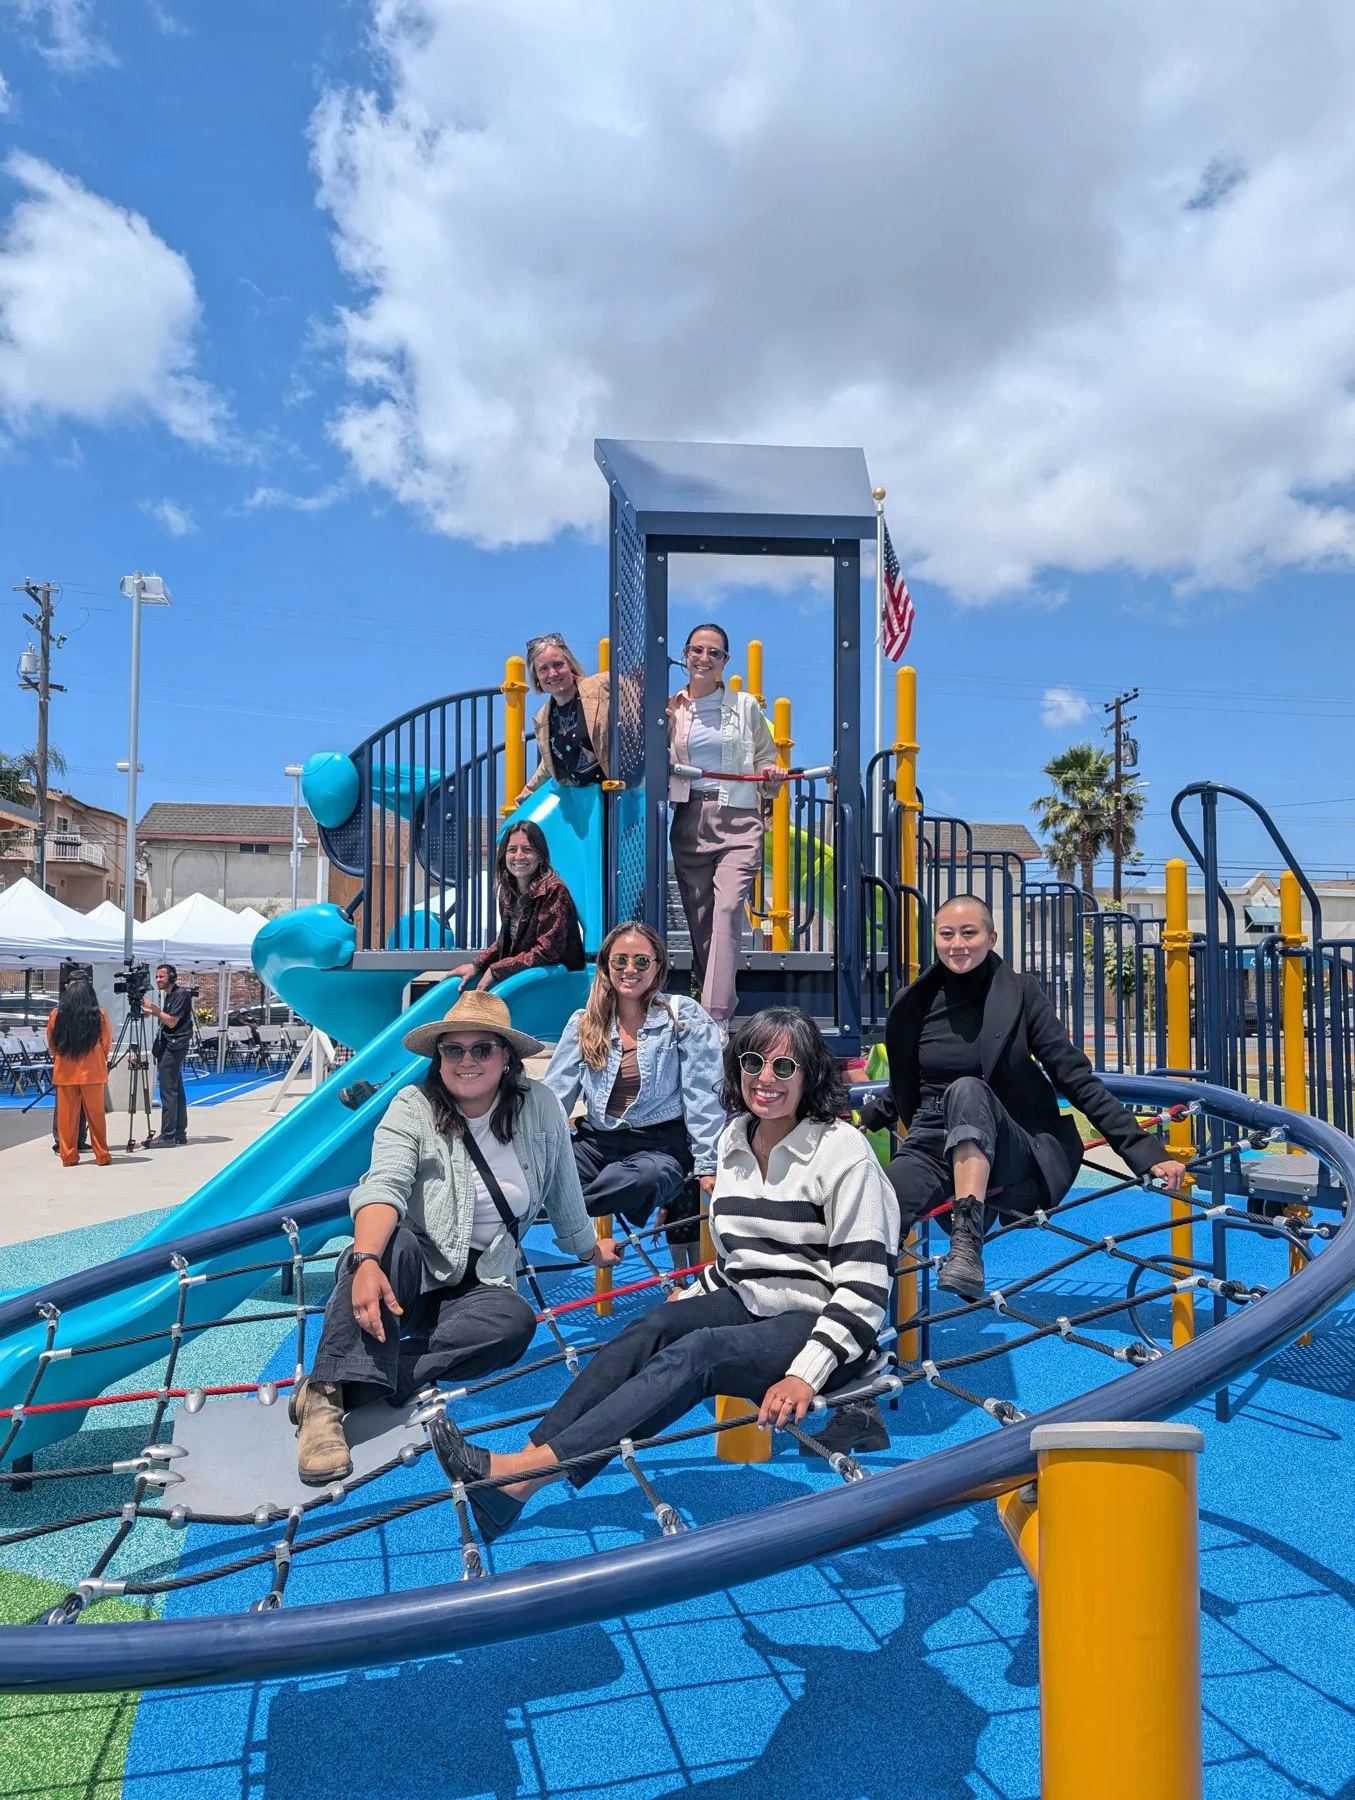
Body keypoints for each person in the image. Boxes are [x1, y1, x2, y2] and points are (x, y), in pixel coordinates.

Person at [427, 1006, 900, 1541]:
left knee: (697, 1355)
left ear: (811, 1075)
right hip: (751, 1299)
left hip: (821, 1324)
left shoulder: (842, 1153)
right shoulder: (734, 1141)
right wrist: (694, 1296)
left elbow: (864, 1290)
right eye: (753, 1062)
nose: (765, 1080)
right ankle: (530, 1457)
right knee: (651, 1327)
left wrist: (804, 1374)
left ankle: (519, 1481)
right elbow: (738, 1259)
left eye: (784, 1068)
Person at [293, 989, 623, 1486]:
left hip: (479, 1280)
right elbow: (384, 1184)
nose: (467, 1061)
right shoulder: (414, 1106)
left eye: (482, 1049)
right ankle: (324, 1400)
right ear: (439, 1057)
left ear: (507, 1057)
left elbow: (562, 1188)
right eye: (454, 1050)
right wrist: (364, 1261)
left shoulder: (540, 1107)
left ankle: (344, 1385)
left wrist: (587, 1249)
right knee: (392, 1245)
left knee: (512, 1324)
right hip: (412, 1272)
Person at [864, 894, 1188, 1305]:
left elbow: (1074, 1076)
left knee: (966, 1089)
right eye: (947, 934)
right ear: (935, 938)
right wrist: (867, 1115)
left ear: (991, 937)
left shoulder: (1019, 993)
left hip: (1008, 1140)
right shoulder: (917, 1002)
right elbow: (913, 1080)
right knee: (875, 1210)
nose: (957, 944)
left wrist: (1141, 1149)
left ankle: (967, 1244)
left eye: (969, 932)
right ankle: (853, 1330)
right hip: (933, 1139)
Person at [544, 922, 724, 1268]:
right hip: (598, 1141)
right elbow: (555, 1096)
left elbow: (703, 1093)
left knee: (647, 1177)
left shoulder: (680, 1016)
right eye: (620, 961)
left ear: (658, 966)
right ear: (606, 967)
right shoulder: (585, 1022)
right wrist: (537, 1152)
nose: (630, 970)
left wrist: (707, 1163)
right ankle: (563, 1208)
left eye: (642, 961)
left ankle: (567, 1215)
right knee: (536, 1172)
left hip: (659, 1146)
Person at [667, 622, 786, 1028]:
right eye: (696, 650)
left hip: (738, 818)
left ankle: (717, 1018)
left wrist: (771, 776)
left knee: (729, 910)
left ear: (725, 662)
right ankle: (708, 999)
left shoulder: (746, 705)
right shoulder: (672, 708)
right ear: (685, 655)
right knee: (701, 923)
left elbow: (767, 758)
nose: (704, 658)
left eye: (713, 653)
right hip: (690, 819)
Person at [450, 821, 585, 992]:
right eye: (512, 849)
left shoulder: (553, 890)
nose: (519, 856)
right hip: (528, 984)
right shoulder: (508, 893)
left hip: (558, 987)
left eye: (527, 849)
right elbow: (505, 942)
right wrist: (477, 965)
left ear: (541, 855)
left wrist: (496, 969)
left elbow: (548, 952)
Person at [519, 633, 610, 799]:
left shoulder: (600, 686)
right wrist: (526, 794)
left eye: (558, 665)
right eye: (543, 669)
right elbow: (549, 765)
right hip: (582, 804)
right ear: (537, 678)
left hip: (616, 793)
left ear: (570, 665)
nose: (552, 673)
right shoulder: (544, 717)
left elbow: (637, 688)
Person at [46, 972, 112, 1167]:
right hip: (93, 1072)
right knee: (96, 1116)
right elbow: (106, 1043)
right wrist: (99, 1059)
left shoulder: (56, 1015)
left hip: (65, 1073)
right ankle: (101, 1154)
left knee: (66, 1118)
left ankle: (68, 1156)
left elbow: (52, 1044)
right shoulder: (99, 1014)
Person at [142, 963, 192, 1147]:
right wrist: (153, 1013)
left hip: (174, 1046)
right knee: (176, 1089)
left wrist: (155, 1010)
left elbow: (172, 1022)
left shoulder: (180, 995)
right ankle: (178, 1132)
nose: (158, 980)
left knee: (168, 1091)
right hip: (172, 1045)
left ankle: (168, 1135)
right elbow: (167, 1017)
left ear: (171, 977)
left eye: (162, 977)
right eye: (157, 977)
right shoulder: (171, 996)